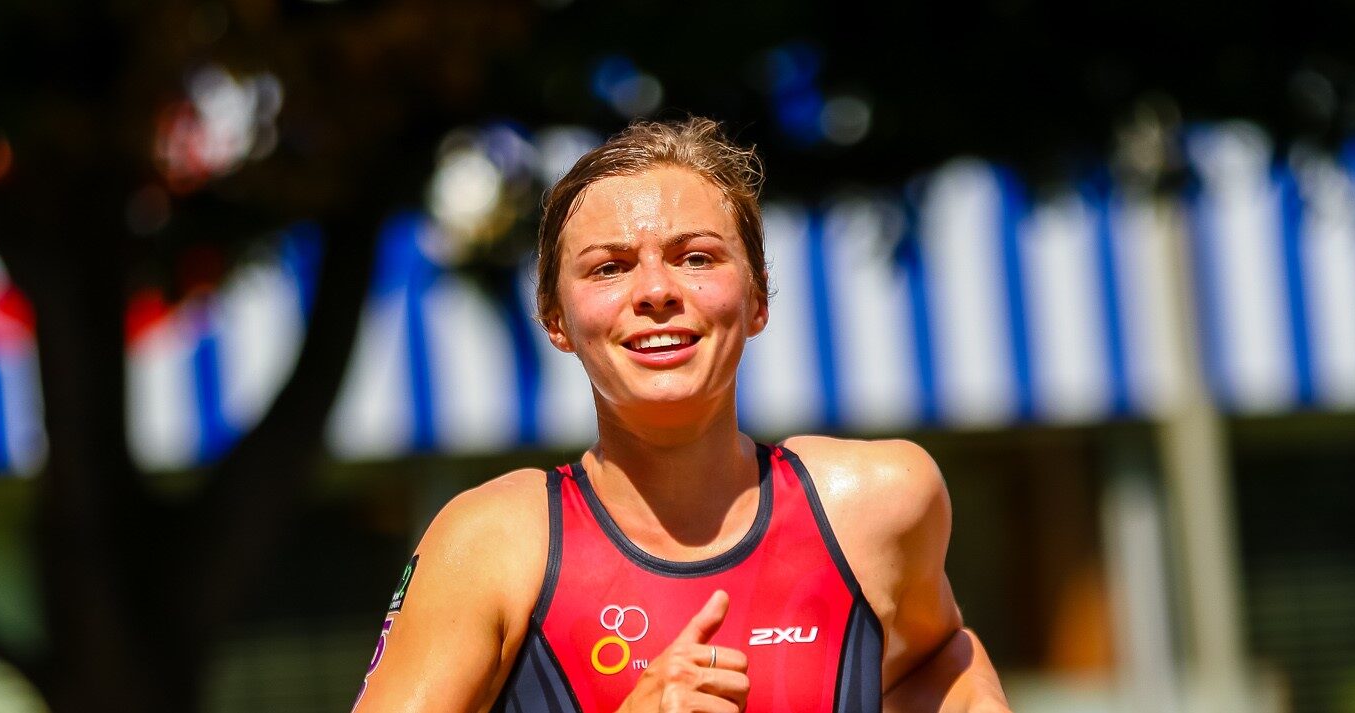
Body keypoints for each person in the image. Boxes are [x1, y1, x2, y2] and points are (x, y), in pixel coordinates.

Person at [351, 117, 1010, 713]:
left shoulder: (880, 503)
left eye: (696, 257)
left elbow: (941, 660)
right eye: (609, 267)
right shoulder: (489, 543)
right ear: (557, 320)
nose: (657, 291)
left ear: (757, 300)